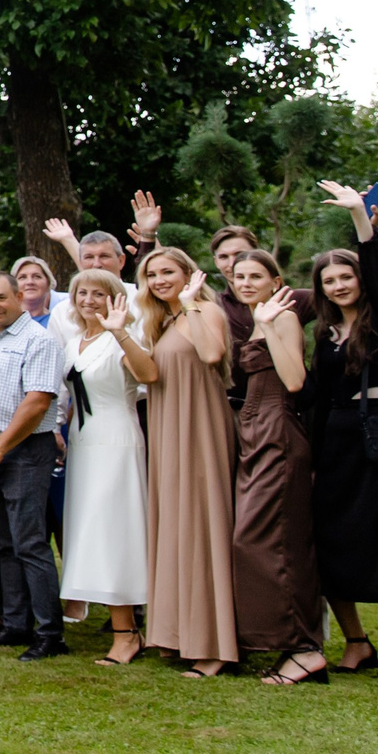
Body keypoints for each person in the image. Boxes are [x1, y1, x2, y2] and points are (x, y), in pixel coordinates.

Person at [302, 182, 378, 677]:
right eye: (329, 281)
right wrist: (310, 460)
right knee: (330, 542)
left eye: (346, 277)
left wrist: (360, 220)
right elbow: (318, 399)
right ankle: (356, 641)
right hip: (335, 445)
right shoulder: (323, 334)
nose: (339, 286)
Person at [138, 246, 239, 677]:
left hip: (199, 427)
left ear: (188, 273)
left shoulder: (202, 310)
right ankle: (179, 633)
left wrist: (191, 300)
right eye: (152, 274)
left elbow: (212, 355)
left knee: (203, 523)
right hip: (168, 428)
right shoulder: (164, 320)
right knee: (176, 525)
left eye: (168, 272)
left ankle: (215, 644)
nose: (160, 280)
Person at [226, 248, 325, 685]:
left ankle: (306, 649)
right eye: (238, 275)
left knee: (273, 541)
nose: (244, 282)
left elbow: (295, 379)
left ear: (274, 279)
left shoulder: (281, 316)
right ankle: (282, 641)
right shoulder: (257, 316)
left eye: (254, 275)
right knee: (256, 540)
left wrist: (267, 325)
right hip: (253, 432)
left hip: (278, 431)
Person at [0, 271, 67, 657]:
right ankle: (15, 623)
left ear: (20, 296)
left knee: (30, 543)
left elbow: (38, 402)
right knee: (2, 545)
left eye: (0, 298)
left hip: (21, 451)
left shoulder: (39, 340)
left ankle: (50, 634)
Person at [56, 269, 152, 665]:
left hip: (116, 439)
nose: (89, 300)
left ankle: (127, 633)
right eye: (82, 293)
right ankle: (122, 626)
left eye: (99, 293)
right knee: (89, 532)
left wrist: (121, 332)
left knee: (114, 532)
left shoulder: (124, 336)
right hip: (83, 441)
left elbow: (150, 375)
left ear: (115, 298)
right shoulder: (76, 340)